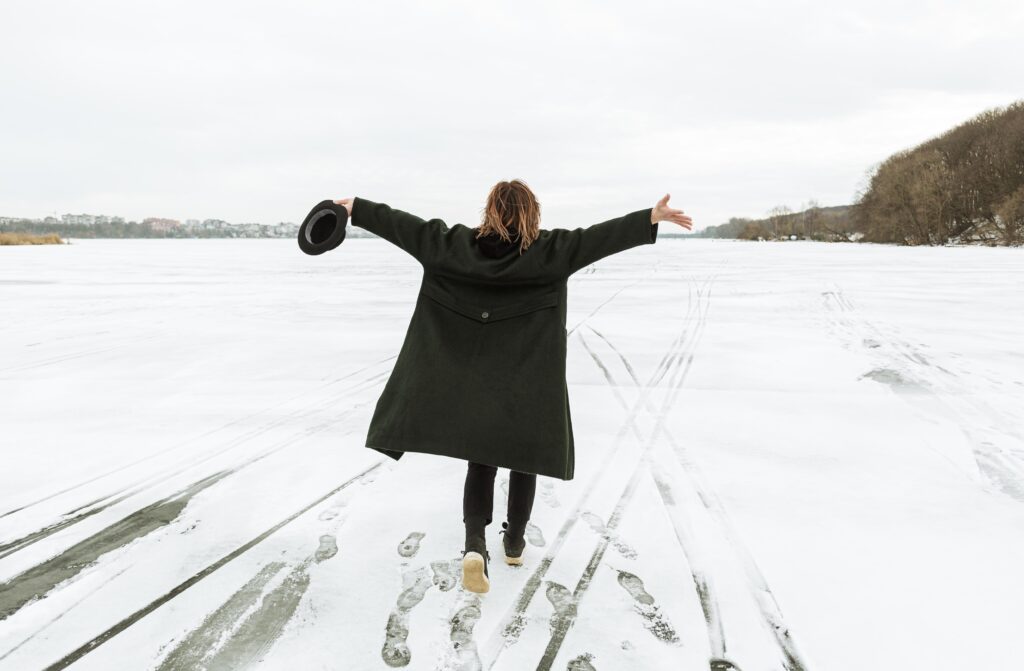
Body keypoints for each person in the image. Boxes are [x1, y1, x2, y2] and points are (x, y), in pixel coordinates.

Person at [332, 181, 692, 593]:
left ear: (489, 210)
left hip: (471, 384)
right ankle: (515, 541)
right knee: (524, 459)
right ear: (531, 213)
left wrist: (356, 208)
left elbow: (404, 226)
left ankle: (474, 545)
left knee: (480, 461)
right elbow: (598, 238)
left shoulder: (450, 246)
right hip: (527, 384)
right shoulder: (551, 252)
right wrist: (649, 218)